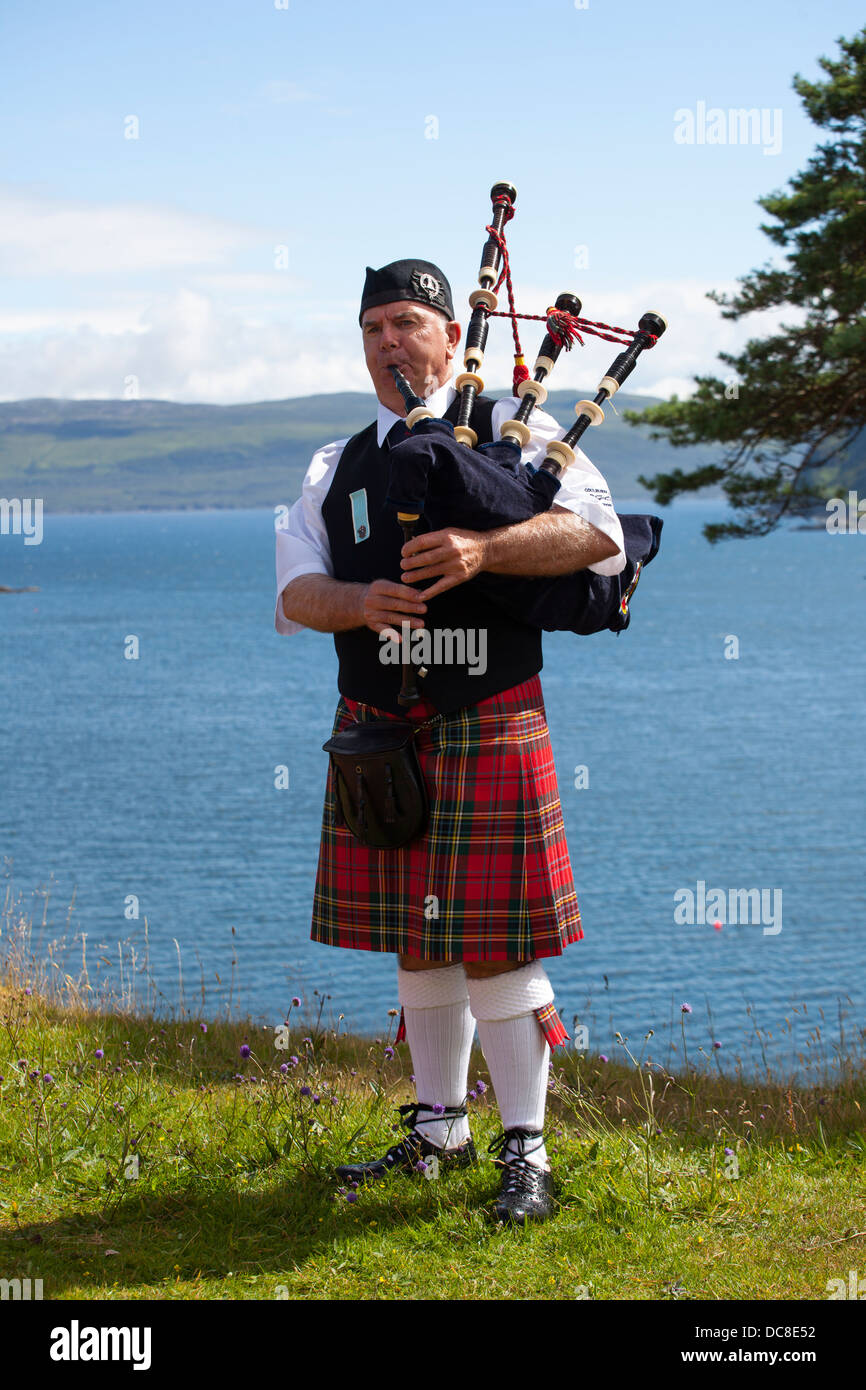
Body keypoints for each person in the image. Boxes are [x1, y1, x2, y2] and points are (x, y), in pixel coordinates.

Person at [275, 258, 625, 1224]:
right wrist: (357, 600)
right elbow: (295, 593)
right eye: (374, 326)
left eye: (408, 324)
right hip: (377, 731)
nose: (391, 342)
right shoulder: (332, 466)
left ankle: (529, 1152)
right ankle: (437, 1131)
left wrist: (484, 548)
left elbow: (597, 537)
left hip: (489, 718)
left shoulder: (526, 437)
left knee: (500, 947)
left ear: (445, 337)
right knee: (418, 946)